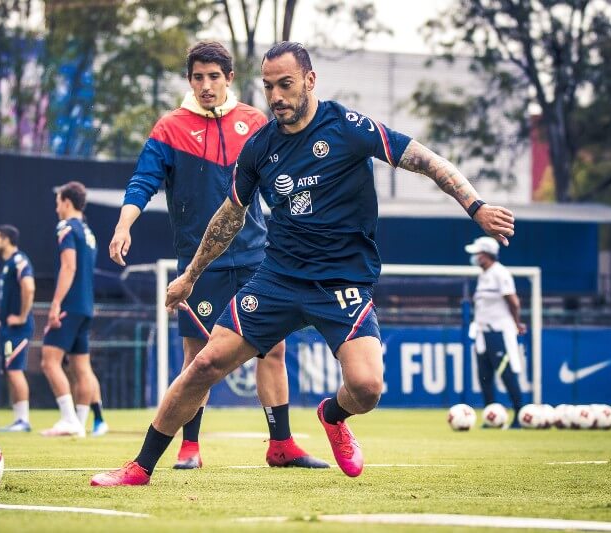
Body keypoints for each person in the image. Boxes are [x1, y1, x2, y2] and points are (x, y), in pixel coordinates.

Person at [91, 41, 516, 487]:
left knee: (368, 389)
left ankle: (333, 417)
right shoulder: (259, 147)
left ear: (310, 81)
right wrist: (190, 276)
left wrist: (476, 206)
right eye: (269, 86)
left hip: (341, 282)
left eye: (286, 85)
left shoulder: (348, 128)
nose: (276, 96)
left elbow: (426, 160)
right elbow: (229, 216)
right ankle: (140, 467)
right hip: (278, 278)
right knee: (202, 365)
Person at [109, 40, 326, 470]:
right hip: (199, 265)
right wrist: (123, 223)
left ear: (229, 78)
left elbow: (280, 182)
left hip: (257, 259)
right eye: (197, 77)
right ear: (189, 81)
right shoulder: (170, 128)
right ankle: (190, 447)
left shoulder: (254, 121)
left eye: (214, 77)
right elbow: (142, 182)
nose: (206, 86)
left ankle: (280, 445)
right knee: (198, 359)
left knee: (274, 351)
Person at [41, 181, 107, 438]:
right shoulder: (89, 233)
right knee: (82, 367)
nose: (56, 207)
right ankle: (79, 423)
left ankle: (69, 420)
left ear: (67, 202)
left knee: (49, 361)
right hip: (86, 305)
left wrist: (56, 303)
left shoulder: (66, 227)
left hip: (70, 304)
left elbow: (69, 267)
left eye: (58, 202)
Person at [465, 236, 526, 428]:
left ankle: (519, 414)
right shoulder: (484, 275)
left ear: (486, 255)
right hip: (483, 334)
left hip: (499, 332)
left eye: (477, 253)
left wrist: (517, 323)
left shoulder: (501, 273)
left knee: (507, 375)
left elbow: (513, 301)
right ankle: (491, 415)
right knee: (485, 377)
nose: (475, 257)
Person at [0, 225, 35, 433]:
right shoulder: (8, 264)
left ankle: (24, 420)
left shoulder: (19, 260)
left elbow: (29, 287)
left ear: (6, 239)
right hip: (7, 328)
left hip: (18, 329)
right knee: (10, 370)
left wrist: (22, 316)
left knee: (15, 370)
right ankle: (18, 419)